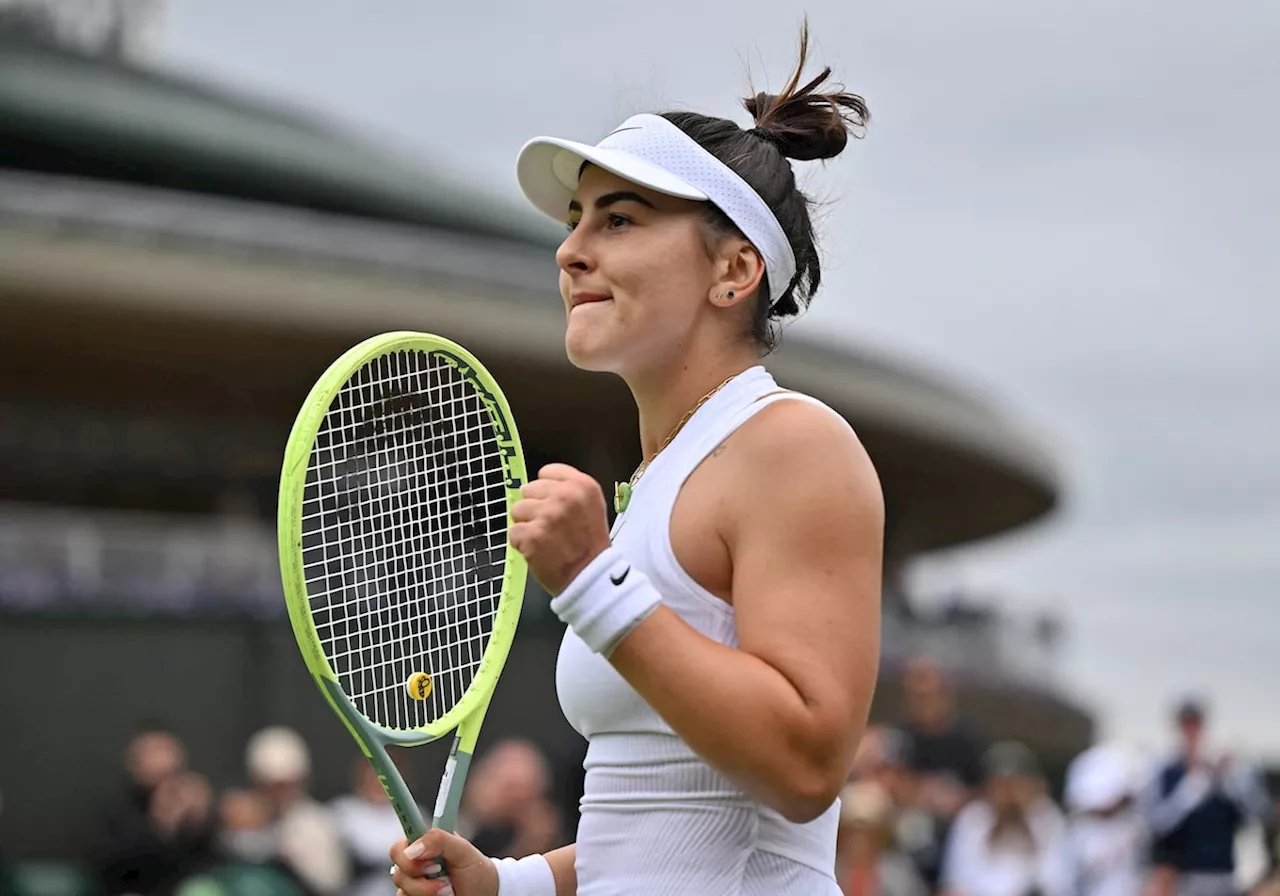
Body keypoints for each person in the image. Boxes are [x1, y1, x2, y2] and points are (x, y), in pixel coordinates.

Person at [390, 22, 883, 896]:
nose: (570, 249)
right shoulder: (664, 478)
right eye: (577, 220)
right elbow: (673, 824)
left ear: (733, 271)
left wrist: (592, 581)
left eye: (618, 219)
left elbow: (805, 770)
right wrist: (512, 884)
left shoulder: (793, 445)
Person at [1138, 698, 1274, 896]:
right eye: (1186, 724)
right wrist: (1190, 790)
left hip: (1227, 873)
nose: (1192, 731)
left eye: (1196, 724)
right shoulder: (1166, 770)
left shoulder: (1225, 770)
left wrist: (1234, 781)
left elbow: (1257, 814)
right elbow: (1156, 823)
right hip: (1183, 876)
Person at [938, 741, 1073, 896]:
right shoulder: (973, 818)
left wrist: (1024, 827)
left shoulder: (1048, 818)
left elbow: (1057, 884)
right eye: (1001, 785)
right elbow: (955, 884)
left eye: (1016, 785)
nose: (1009, 794)